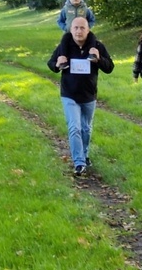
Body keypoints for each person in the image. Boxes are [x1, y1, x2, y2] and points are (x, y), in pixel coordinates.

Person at [47, 16, 114, 176]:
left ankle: (84, 154)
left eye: (82, 28)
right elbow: (51, 64)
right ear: (71, 30)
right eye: (76, 27)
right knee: (74, 127)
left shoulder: (97, 46)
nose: (78, 31)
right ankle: (79, 162)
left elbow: (109, 67)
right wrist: (57, 64)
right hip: (69, 94)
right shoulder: (64, 47)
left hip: (89, 95)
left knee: (86, 128)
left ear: (88, 29)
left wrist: (98, 59)